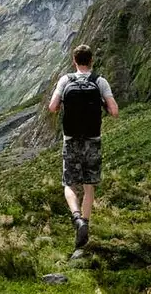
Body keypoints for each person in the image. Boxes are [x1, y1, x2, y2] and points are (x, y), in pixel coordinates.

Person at [47, 44, 118, 254]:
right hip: (93, 140)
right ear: (92, 60)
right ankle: (85, 224)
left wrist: (62, 105)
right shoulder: (99, 81)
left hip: (71, 140)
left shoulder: (65, 80)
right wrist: (103, 104)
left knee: (69, 184)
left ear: (74, 61)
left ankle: (77, 218)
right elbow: (114, 111)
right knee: (89, 186)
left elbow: (52, 107)